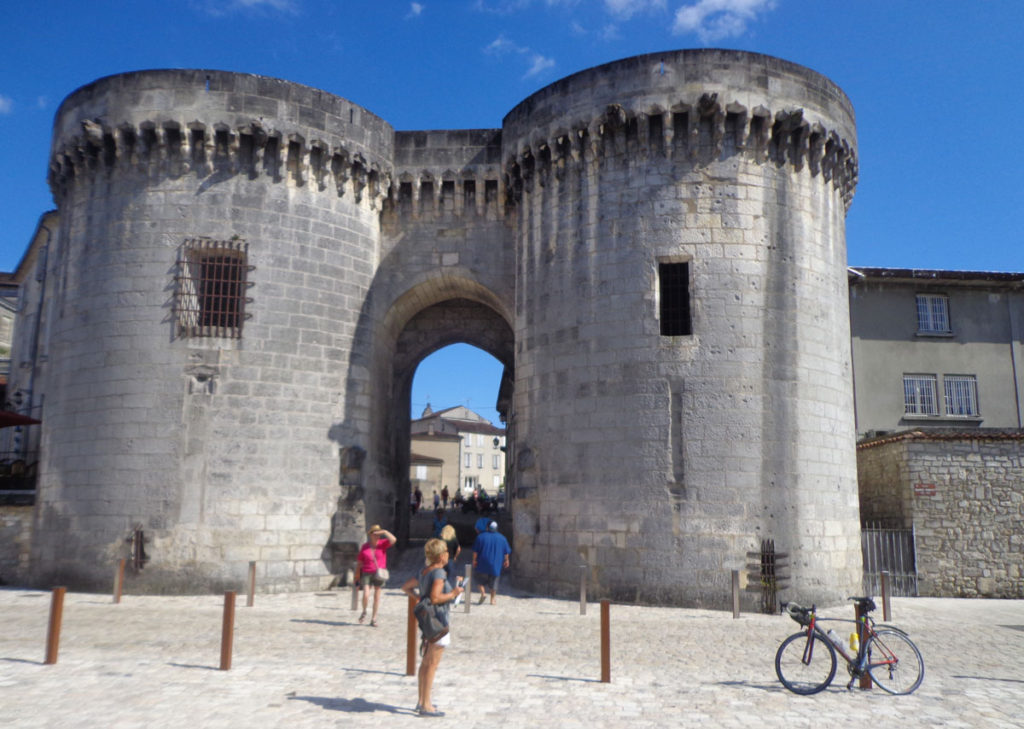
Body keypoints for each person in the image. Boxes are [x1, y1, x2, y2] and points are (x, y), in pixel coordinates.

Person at [402, 538, 463, 717]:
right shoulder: (439, 573)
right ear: (441, 555)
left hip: (428, 622)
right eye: (445, 552)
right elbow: (436, 598)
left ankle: (422, 700)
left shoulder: (423, 571)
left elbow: (406, 587)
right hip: (438, 622)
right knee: (432, 664)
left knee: (426, 662)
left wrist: (420, 599)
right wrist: (454, 593)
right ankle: (426, 705)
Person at [357, 524, 395, 627]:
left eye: (378, 534)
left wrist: (385, 532)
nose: (377, 536)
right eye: (375, 534)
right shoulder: (365, 546)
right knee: (366, 594)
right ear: (370, 535)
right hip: (367, 573)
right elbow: (360, 562)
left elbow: (393, 540)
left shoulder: (383, 544)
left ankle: (374, 618)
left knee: (377, 597)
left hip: (379, 573)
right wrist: (357, 576)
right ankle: (364, 611)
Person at [472, 520, 511, 605]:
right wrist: (507, 560)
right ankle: (492, 600)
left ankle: (483, 593)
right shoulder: (502, 538)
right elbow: (506, 552)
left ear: (487, 527)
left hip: (482, 563)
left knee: (478, 580)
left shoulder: (480, 537)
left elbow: (476, 551)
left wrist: (474, 560)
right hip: (496, 564)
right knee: (494, 582)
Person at [439, 523, 461, 589]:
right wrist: (455, 556)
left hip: (442, 559)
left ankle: (441, 588)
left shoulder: (441, 538)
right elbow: (459, 549)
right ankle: (450, 589)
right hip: (451, 559)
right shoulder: (454, 539)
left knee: (441, 574)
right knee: (451, 576)